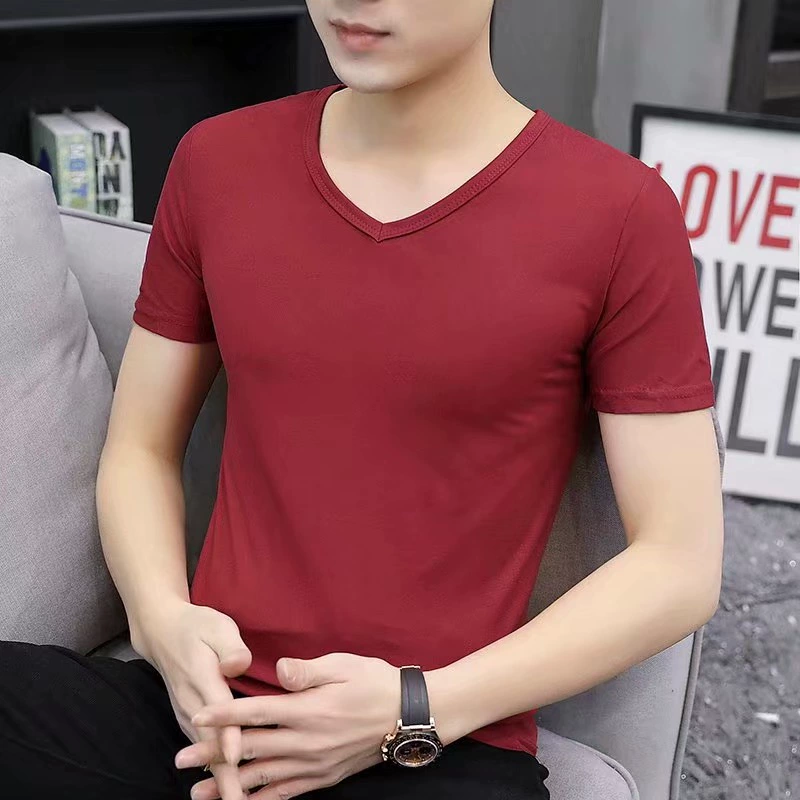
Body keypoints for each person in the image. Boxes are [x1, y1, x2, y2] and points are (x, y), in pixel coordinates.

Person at [1, 0, 725, 798]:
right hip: (202, 721)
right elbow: (140, 448)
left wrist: (415, 707)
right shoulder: (218, 162)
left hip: (435, 746)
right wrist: (163, 621)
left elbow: (679, 563)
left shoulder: (619, 213)